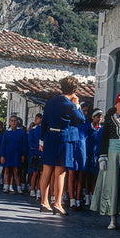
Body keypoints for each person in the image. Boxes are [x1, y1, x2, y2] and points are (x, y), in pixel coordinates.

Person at [38, 76, 86, 216]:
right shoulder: (70, 105)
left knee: (46, 170)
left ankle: (43, 201)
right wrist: (77, 104)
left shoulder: (50, 102)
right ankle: (57, 203)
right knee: (60, 171)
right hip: (64, 139)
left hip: (50, 137)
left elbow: (44, 122)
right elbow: (81, 119)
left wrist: (41, 140)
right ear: (75, 89)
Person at [90, 92, 120, 230]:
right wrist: (103, 156)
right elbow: (104, 139)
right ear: (116, 105)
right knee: (112, 187)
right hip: (112, 155)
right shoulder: (109, 120)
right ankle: (112, 219)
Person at [1, 115, 28, 194]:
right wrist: (2, 155)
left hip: (17, 154)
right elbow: (3, 145)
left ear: (17, 122)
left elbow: (24, 144)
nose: (13, 122)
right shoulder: (6, 132)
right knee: (7, 170)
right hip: (8, 154)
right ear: (9, 122)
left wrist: (23, 154)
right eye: (12, 121)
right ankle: (6, 187)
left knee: (16, 171)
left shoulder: (21, 132)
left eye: (15, 121)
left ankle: (19, 188)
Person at [84, 108, 103, 207]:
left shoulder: (101, 129)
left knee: (95, 178)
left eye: (100, 117)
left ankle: (93, 197)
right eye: (97, 117)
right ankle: (87, 196)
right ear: (92, 117)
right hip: (88, 156)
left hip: (97, 156)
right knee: (88, 177)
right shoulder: (88, 128)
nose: (99, 119)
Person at [28, 113, 43, 200]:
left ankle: (39, 191)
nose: (35, 120)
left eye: (38, 118)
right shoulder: (32, 130)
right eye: (35, 118)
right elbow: (30, 142)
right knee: (34, 173)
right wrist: (36, 149)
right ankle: (32, 190)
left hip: (42, 153)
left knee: (41, 173)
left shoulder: (43, 129)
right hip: (34, 153)